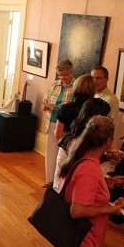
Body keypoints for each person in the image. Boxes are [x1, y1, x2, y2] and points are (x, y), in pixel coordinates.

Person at [43, 115, 124, 247]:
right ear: (108, 141)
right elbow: (78, 210)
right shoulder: (89, 169)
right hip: (81, 236)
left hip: (68, 232)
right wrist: (111, 209)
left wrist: (105, 184)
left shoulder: (82, 156)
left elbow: (79, 188)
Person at [42, 59, 75, 188]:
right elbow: (47, 97)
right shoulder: (55, 84)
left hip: (66, 124)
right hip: (52, 120)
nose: (62, 77)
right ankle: (49, 180)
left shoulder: (76, 86)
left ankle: (60, 183)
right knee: (50, 152)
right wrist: (45, 105)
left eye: (65, 74)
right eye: (60, 74)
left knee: (62, 154)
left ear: (71, 71)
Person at [54, 74, 95, 141]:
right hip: (90, 148)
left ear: (75, 88)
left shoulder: (66, 108)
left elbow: (58, 135)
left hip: (69, 146)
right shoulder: (99, 108)